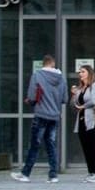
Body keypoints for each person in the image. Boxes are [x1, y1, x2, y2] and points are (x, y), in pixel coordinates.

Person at [12, 54, 67, 183]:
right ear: (53, 64)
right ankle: (53, 175)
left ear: (44, 64)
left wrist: (31, 102)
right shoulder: (62, 78)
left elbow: (31, 95)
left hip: (41, 114)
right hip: (54, 116)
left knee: (35, 145)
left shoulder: (37, 75)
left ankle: (25, 174)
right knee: (51, 145)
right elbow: (64, 99)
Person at [70, 64, 95, 183]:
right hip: (81, 122)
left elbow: (94, 100)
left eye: (83, 72)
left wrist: (82, 106)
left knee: (92, 147)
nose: (80, 74)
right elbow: (73, 106)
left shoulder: (94, 85)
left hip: (92, 121)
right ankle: (91, 173)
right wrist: (74, 95)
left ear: (89, 73)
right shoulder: (80, 88)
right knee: (85, 148)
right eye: (79, 72)